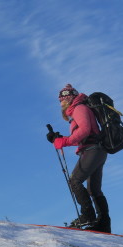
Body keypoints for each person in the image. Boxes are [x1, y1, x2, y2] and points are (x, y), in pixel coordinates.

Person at [47, 84, 112, 233]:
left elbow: (84, 130)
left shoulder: (79, 108)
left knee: (75, 180)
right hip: (97, 150)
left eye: (62, 99)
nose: (60, 103)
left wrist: (65, 141)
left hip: (92, 150)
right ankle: (103, 224)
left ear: (68, 98)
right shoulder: (80, 108)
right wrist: (60, 138)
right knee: (94, 189)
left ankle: (87, 216)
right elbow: (83, 132)